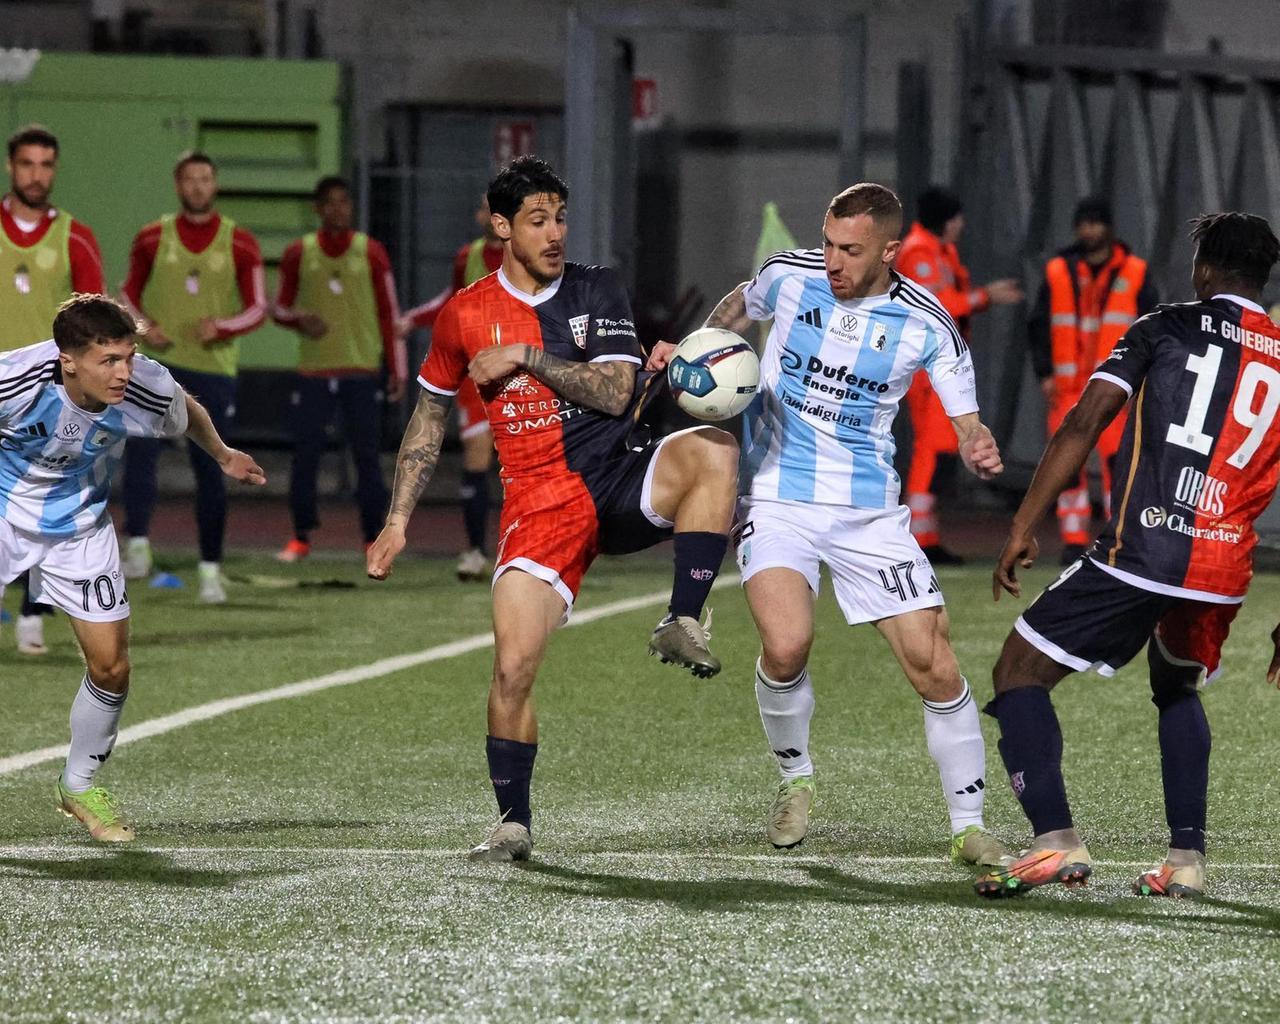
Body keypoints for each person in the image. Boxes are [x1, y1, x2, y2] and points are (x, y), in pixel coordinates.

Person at [366, 156, 739, 863]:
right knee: (511, 669)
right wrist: (397, 520)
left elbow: (614, 389)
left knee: (715, 448)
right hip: (540, 503)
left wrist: (527, 356)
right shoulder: (464, 314)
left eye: (561, 218)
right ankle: (513, 823)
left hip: (622, 475)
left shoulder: (597, 287)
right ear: (502, 227)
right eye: (538, 221)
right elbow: (428, 418)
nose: (555, 233)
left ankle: (682, 617)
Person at [665, 183, 1011, 866]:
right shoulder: (787, 274)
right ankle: (796, 779)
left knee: (932, 663)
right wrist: (697, 352)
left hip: (867, 514)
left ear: (890, 249)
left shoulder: (925, 321)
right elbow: (739, 305)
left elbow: (964, 414)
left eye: (849, 250)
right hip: (777, 498)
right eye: (827, 242)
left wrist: (976, 440)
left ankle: (969, 827)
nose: (832, 261)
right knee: (787, 646)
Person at [977, 212, 1280, 900]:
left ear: (1204, 269)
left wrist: (1026, 521)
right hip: (1223, 568)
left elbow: (1085, 421)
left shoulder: (1164, 325)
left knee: (1018, 669)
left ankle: (1054, 840)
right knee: (1176, 685)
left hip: (1142, 548)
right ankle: (1186, 860)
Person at [0, 294, 264, 841]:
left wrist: (221, 454)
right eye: (109, 361)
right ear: (67, 359)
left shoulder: (144, 385)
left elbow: (186, 409)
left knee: (112, 667)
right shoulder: (15, 381)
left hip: (80, 527)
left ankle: (78, 785)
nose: (123, 372)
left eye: (127, 355)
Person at [119, 152, 266, 602]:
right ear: (178, 185)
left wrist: (221, 328)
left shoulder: (239, 242)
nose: (198, 187)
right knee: (139, 455)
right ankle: (138, 545)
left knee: (211, 467)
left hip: (213, 371)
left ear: (215, 184)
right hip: (158, 367)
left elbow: (259, 307)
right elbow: (126, 293)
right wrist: (145, 327)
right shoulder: (151, 237)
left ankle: (209, 570)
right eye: (190, 179)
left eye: (206, 179)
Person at [0, 124, 107, 656]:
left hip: (48, 395)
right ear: (10, 167)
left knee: (42, 511)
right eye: (27, 164)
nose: (36, 175)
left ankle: (32, 617)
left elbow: (96, 318)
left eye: (45, 165)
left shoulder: (75, 236)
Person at [271, 175, 404, 561]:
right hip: (314, 372)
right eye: (329, 202)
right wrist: (299, 319)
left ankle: (370, 537)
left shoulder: (372, 252)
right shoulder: (300, 252)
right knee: (305, 456)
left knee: (366, 458)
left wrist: (395, 368)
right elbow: (278, 307)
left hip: (361, 371)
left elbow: (388, 312)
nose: (337, 209)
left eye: (344, 202)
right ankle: (300, 537)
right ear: (317, 208)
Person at [897, 187, 1022, 563]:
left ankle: (925, 534)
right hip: (925, 366)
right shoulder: (919, 251)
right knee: (932, 450)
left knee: (938, 450)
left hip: (937, 364)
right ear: (947, 219)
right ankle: (919, 539)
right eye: (957, 218)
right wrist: (986, 296)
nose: (962, 226)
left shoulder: (937, 250)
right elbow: (936, 306)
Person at [1028, 197, 1157, 564]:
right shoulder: (1057, 271)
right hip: (1068, 386)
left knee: (1119, 463)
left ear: (1109, 227)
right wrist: (1045, 373)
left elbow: (1153, 328)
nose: (1089, 230)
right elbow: (1038, 326)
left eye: (1095, 223)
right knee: (1068, 465)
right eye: (1083, 223)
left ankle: (1116, 534)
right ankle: (1072, 539)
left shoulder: (1135, 271)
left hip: (1118, 387)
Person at [397, 197, 504, 580]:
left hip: (524, 371)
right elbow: (451, 303)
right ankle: (475, 551)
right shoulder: (467, 257)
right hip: (478, 373)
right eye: (483, 208)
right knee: (477, 460)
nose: (487, 215)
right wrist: (414, 319)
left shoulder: (529, 253)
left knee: (530, 462)